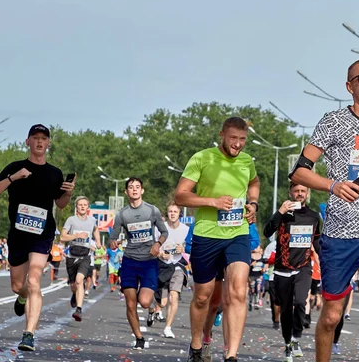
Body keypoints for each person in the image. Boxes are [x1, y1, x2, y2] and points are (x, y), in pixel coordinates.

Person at [289, 58, 359, 362]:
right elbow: (299, 172)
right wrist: (333, 185)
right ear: (350, 87)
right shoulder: (333, 121)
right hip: (340, 233)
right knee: (332, 316)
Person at [175, 116, 260, 362]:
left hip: (238, 233)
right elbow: (180, 196)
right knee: (203, 297)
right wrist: (212, 201)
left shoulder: (246, 161)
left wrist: (252, 203)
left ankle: (231, 355)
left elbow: (254, 182)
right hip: (207, 234)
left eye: (242, 139)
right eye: (233, 138)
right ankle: (196, 344)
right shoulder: (202, 158)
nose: (238, 145)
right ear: (222, 134)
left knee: (238, 291)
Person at [0, 124, 75, 351]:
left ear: (48, 144)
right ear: (28, 142)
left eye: (44, 138)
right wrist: (14, 178)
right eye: (35, 138)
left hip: (42, 234)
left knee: (34, 280)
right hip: (18, 234)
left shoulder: (54, 173)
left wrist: (68, 192)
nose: (40, 142)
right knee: (18, 286)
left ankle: (29, 334)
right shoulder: (16, 167)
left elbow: (60, 204)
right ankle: (22, 298)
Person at [109, 177, 169, 350]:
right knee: (130, 302)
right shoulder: (122, 214)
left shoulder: (152, 210)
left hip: (149, 262)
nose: (134, 190)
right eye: (130, 187)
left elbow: (164, 232)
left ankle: (150, 308)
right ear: (127, 192)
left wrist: (158, 244)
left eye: (137, 187)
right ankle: (139, 337)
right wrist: (113, 242)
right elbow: (114, 235)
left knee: (143, 301)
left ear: (142, 190)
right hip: (129, 261)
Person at [264, 182, 321, 361]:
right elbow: (267, 232)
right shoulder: (283, 214)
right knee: (286, 310)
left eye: (303, 191)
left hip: (303, 267)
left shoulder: (313, 217)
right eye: (296, 191)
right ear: (290, 192)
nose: (300, 194)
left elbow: (317, 241)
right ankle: (288, 343)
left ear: (307, 193)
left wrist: (326, 259)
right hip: (282, 269)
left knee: (301, 302)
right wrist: (280, 212)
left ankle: (296, 337)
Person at [149, 202, 191, 339]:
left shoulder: (186, 230)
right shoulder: (160, 229)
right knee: (162, 302)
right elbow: (152, 247)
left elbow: (191, 248)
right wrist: (160, 253)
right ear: (167, 214)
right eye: (170, 211)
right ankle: (152, 309)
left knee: (174, 296)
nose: (172, 214)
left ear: (180, 214)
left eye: (175, 211)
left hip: (178, 265)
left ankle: (168, 327)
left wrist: (183, 249)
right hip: (162, 265)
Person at [60, 196, 101, 322]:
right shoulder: (71, 220)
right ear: (76, 207)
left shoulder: (92, 220)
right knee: (74, 285)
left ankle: (79, 309)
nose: (82, 207)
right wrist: (76, 235)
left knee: (79, 281)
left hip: (85, 255)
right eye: (80, 205)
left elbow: (95, 229)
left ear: (88, 207)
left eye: (85, 205)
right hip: (72, 256)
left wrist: (98, 241)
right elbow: (62, 237)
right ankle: (74, 294)